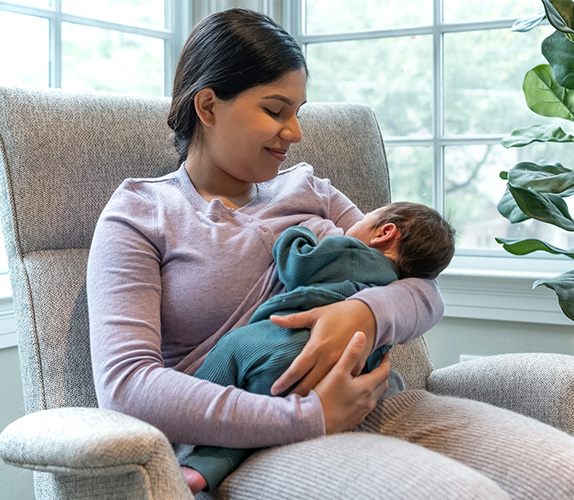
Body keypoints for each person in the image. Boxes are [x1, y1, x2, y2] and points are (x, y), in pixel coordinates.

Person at [86, 8, 574, 499]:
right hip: (245, 442)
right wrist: (306, 417)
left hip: (381, 402)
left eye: (298, 111)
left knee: (562, 476)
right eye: (276, 111)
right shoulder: (140, 214)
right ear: (208, 107)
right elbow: (127, 386)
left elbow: (423, 293)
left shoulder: (309, 188)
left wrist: (363, 311)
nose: (295, 132)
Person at [181, 202, 456, 492]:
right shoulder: (394, 283)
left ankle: (186, 415)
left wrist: (297, 234)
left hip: (285, 349)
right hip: (345, 379)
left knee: (234, 348)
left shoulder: (351, 252)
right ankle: (206, 466)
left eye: (368, 215)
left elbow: (297, 266)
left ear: (384, 232)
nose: (355, 221)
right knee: (265, 412)